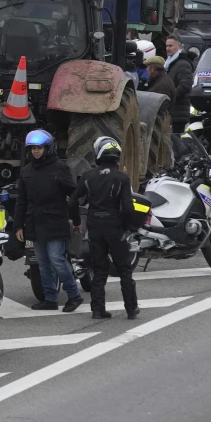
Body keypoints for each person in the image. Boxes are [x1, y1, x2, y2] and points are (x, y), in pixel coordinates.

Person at [13, 130, 83, 312]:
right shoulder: (26, 171)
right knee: (42, 262)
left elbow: (73, 195)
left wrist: (76, 219)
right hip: (35, 224)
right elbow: (21, 200)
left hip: (55, 222)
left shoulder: (60, 168)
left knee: (57, 259)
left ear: (48, 148)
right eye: (33, 148)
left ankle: (74, 295)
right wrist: (18, 225)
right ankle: (50, 298)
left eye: (39, 148)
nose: (36, 151)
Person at [69, 136, 138, 320]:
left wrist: (76, 222)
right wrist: (126, 228)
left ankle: (98, 310)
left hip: (95, 226)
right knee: (124, 269)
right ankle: (131, 309)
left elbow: (73, 202)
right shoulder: (122, 178)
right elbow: (128, 208)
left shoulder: (87, 176)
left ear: (98, 152)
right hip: (115, 227)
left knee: (99, 269)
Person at [163, 35, 194, 132]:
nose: (167, 48)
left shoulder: (183, 64)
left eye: (170, 46)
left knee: (176, 141)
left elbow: (185, 85)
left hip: (178, 111)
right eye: (166, 46)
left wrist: (170, 98)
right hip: (173, 110)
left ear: (179, 47)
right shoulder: (170, 63)